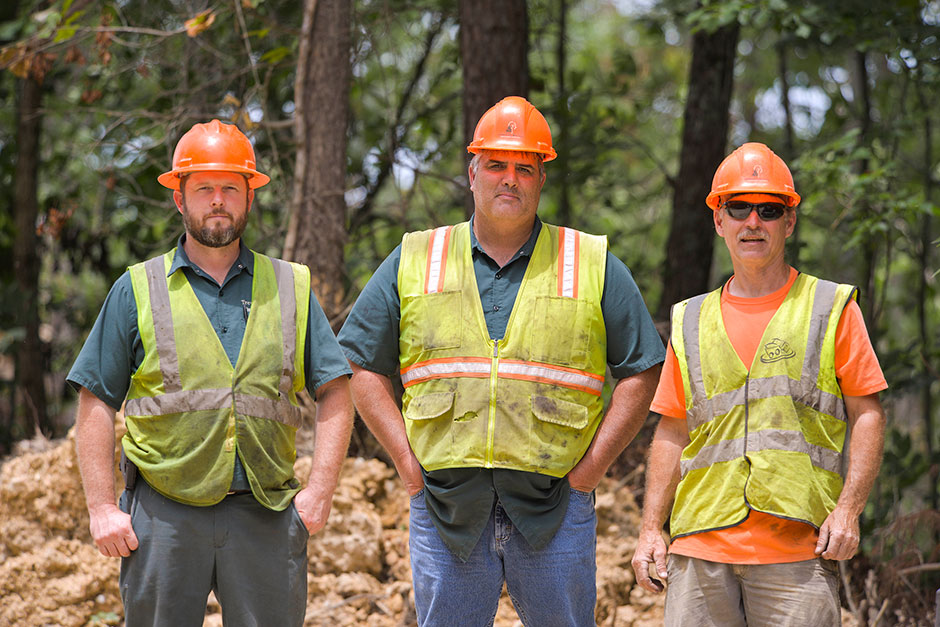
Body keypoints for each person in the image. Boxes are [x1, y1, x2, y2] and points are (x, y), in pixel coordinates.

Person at [338, 96, 664, 626]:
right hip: (446, 509)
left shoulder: (589, 261)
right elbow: (358, 362)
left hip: (555, 507)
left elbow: (643, 369)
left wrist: (588, 476)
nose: (509, 179)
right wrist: (406, 463)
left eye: (524, 168)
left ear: (541, 180)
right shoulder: (418, 256)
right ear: (472, 173)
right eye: (496, 165)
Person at [68, 119, 354, 627]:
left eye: (229, 188)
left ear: (249, 196)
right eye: (204, 188)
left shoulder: (290, 285)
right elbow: (95, 401)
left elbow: (335, 391)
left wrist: (319, 491)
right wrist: (100, 507)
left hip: (265, 514)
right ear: (180, 198)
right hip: (163, 516)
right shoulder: (138, 288)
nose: (217, 200)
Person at [631, 142, 887, 626]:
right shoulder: (690, 320)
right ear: (718, 219)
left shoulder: (830, 308)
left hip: (796, 552)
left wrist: (849, 511)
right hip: (700, 550)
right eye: (739, 208)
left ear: (788, 222)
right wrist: (650, 530)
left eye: (769, 210)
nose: (753, 222)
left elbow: (868, 413)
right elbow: (671, 431)